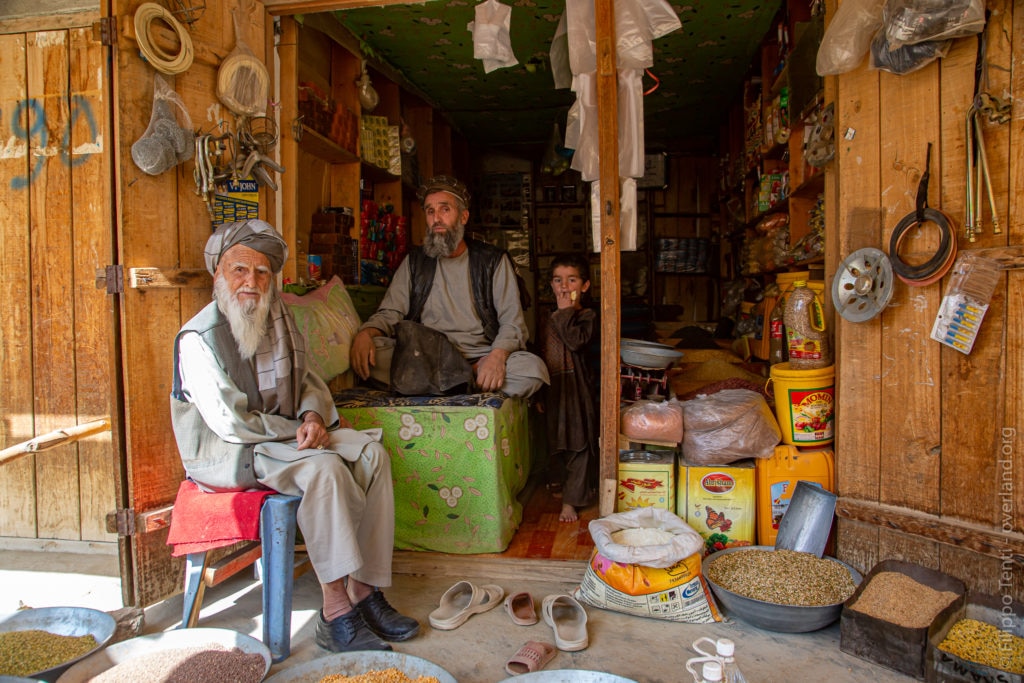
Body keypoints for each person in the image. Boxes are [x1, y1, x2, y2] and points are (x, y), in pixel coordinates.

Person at [169, 219, 418, 653]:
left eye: (262, 272)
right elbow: (231, 423)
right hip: (231, 453)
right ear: (219, 277)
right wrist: (298, 429)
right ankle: (335, 609)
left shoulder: (275, 318)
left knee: (372, 455)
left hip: (280, 439)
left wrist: (312, 417)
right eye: (240, 270)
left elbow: (307, 382)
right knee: (324, 469)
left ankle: (364, 589)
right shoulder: (198, 337)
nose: (252, 281)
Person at [350, 175, 548, 398]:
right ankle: (465, 381)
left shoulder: (492, 261)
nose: (436, 219)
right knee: (371, 352)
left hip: (480, 357)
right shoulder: (415, 262)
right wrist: (366, 333)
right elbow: (391, 311)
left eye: (445, 210)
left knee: (532, 370)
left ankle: (450, 381)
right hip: (425, 356)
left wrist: (497, 357)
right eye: (430, 211)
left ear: (463, 216)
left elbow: (512, 324)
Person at [539, 253, 598, 522]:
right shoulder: (547, 316)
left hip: (577, 389)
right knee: (554, 440)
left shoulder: (586, 316)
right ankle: (561, 485)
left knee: (578, 443)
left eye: (571, 280)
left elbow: (576, 342)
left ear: (584, 286)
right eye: (558, 280)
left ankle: (571, 502)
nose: (564, 287)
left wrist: (565, 312)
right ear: (551, 285)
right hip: (553, 386)